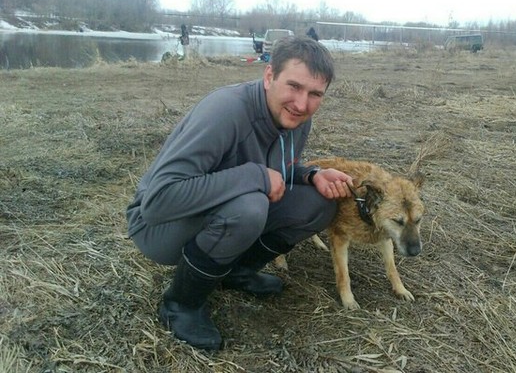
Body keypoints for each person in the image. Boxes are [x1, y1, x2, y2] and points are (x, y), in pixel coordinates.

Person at [126, 36, 353, 350]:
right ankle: (181, 304)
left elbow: (279, 169)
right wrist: (256, 176)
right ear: (269, 76)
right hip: (157, 227)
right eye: (294, 86)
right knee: (249, 206)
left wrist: (311, 175)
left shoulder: (297, 118)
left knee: (319, 204)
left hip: (219, 208)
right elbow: (158, 202)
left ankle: (234, 272)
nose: (302, 104)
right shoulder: (226, 111)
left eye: (315, 94)